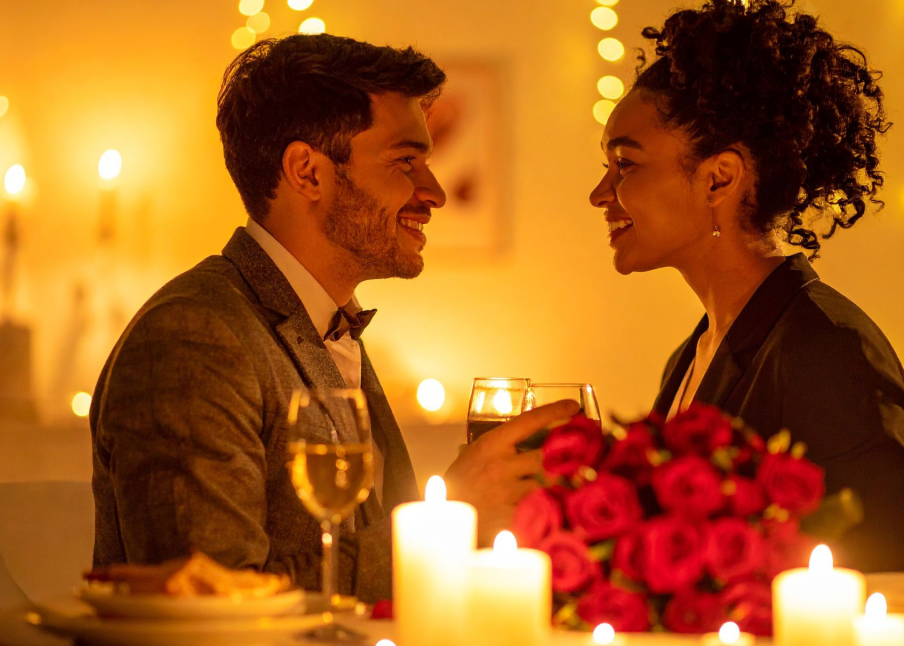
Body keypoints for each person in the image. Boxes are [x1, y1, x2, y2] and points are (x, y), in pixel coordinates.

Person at [90, 34, 576, 602]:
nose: (434, 192)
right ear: (308, 172)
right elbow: (209, 610)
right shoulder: (193, 338)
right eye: (405, 162)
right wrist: (451, 521)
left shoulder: (325, 321)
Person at [589, 0, 904, 572]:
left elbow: (894, 578)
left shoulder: (828, 350)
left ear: (719, 180)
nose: (601, 193)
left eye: (626, 164)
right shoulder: (690, 355)